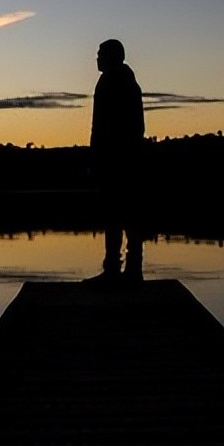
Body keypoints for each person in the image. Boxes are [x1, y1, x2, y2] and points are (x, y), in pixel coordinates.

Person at [87, 38, 145, 283]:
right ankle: (125, 269)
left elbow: (112, 127)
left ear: (112, 56)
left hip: (119, 161)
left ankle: (121, 270)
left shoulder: (117, 82)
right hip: (119, 159)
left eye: (100, 54)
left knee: (119, 215)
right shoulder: (118, 81)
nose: (97, 58)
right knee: (122, 215)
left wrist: (104, 156)